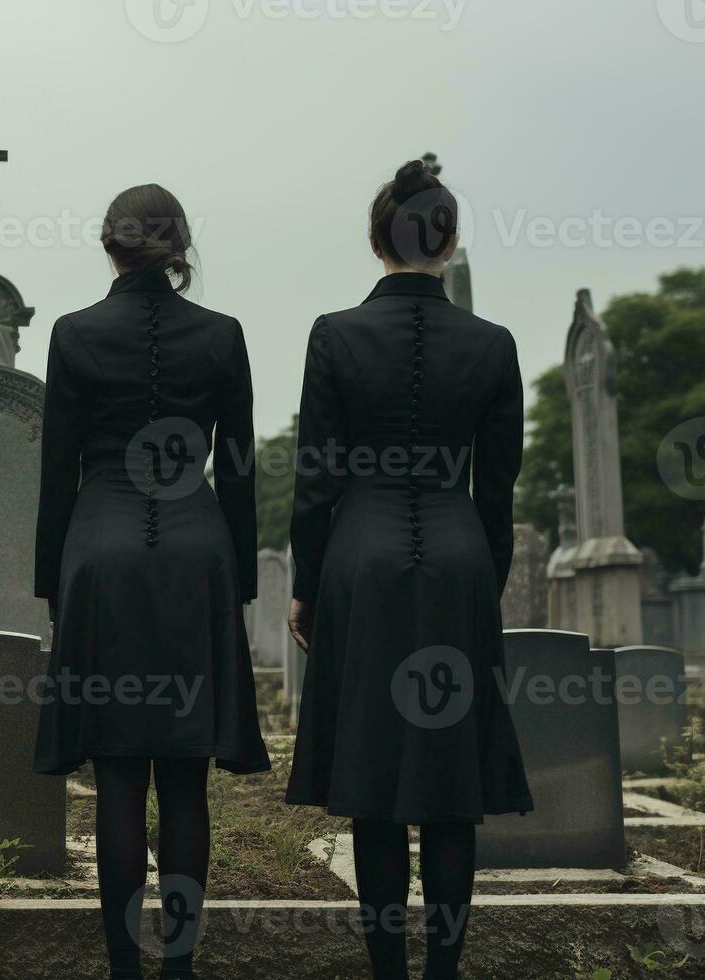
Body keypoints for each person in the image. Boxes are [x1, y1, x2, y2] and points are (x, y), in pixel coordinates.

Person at [284, 160, 534, 980]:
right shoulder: (493, 345)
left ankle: (387, 969)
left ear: (375, 239)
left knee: (374, 779)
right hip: (459, 562)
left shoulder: (335, 334)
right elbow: (497, 495)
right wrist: (481, 583)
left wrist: (307, 587)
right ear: (450, 240)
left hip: (360, 561)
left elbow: (317, 478)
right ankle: (443, 973)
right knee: (451, 784)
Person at [34, 184, 271, 980]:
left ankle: (123, 972)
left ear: (110, 245)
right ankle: (178, 969)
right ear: (179, 247)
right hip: (197, 551)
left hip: (99, 553)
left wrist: (50, 578)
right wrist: (237, 578)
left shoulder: (74, 334)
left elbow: (56, 469)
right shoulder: (223, 335)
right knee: (186, 776)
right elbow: (237, 470)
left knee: (117, 776)